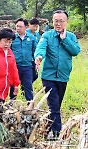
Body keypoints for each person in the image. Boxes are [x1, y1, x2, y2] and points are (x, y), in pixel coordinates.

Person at [34, 10, 80, 138]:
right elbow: (41, 48)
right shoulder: (47, 35)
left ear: (66, 22)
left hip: (63, 76)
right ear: (52, 21)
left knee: (55, 105)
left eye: (61, 21)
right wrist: (38, 57)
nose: (58, 24)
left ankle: (47, 128)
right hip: (48, 76)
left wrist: (64, 40)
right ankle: (57, 134)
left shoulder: (71, 37)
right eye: (56, 21)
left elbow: (75, 51)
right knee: (54, 105)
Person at [10, 18, 37, 101]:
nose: (18, 28)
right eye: (17, 26)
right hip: (15, 66)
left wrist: (35, 63)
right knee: (13, 86)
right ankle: (12, 103)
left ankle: (30, 104)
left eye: (20, 26)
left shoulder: (31, 38)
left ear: (26, 27)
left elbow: (35, 51)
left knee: (28, 86)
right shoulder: (12, 38)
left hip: (27, 66)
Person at [26, 18, 40, 82]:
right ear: (29, 25)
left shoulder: (37, 34)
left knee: (35, 75)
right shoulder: (26, 33)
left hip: (35, 57)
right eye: (34, 26)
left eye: (36, 26)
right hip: (28, 58)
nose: (35, 28)